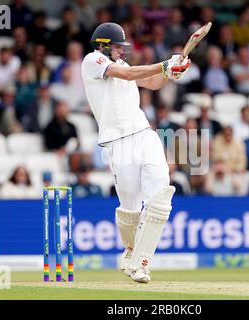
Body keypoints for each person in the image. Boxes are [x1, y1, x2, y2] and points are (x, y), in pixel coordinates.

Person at [81, 22, 190, 283]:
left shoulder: (125, 66)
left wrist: (171, 72)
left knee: (161, 195)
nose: (121, 51)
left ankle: (142, 262)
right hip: (116, 143)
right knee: (130, 207)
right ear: (103, 45)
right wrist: (164, 64)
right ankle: (130, 251)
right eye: (118, 46)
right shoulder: (92, 61)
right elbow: (127, 75)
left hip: (144, 134)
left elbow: (151, 83)